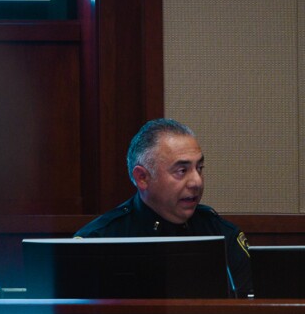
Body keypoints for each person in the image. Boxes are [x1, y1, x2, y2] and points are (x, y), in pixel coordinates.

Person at [75, 118, 253, 297]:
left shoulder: (223, 236)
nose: (197, 182)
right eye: (181, 171)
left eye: (199, 168)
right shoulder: (96, 241)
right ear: (142, 178)